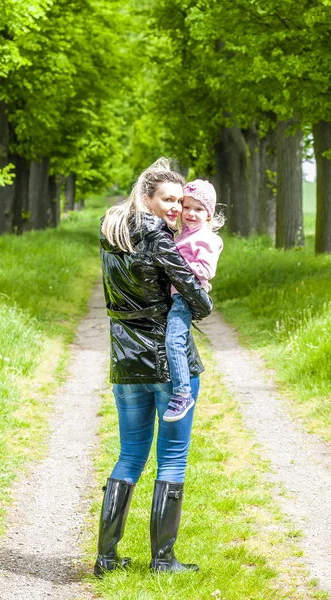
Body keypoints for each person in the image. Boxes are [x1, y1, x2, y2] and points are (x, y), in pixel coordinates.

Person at [95, 158, 213, 576]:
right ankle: (163, 561)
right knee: (174, 459)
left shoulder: (112, 233)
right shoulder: (161, 240)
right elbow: (201, 302)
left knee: (128, 456)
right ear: (146, 197)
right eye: (168, 199)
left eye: (180, 201)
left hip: (125, 364)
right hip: (167, 364)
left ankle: (106, 559)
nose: (176, 208)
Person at [163, 179, 224, 423]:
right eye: (187, 207)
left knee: (174, 341)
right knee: (174, 340)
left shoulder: (206, 239)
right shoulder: (183, 235)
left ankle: (182, 393)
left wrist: (175, 265)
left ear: (208, 215)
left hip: (185, 298)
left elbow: (206, 270)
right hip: (175, 295)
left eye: (199, 209)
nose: (191, 214)